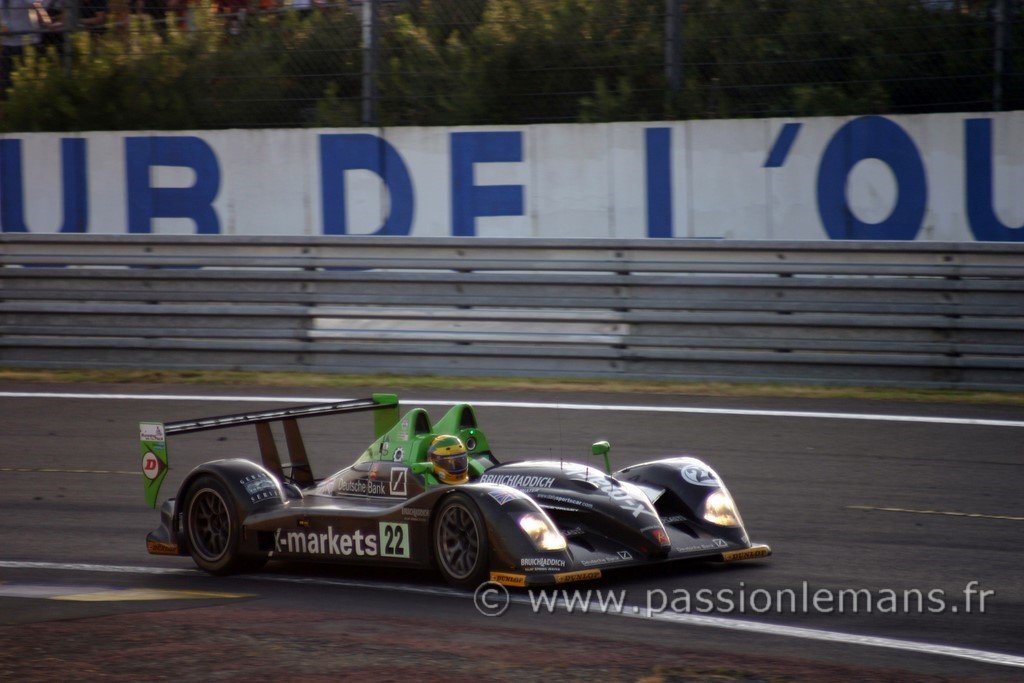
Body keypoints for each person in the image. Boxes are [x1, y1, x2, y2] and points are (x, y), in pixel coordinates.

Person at [1, 0, 47, 98]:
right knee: (6, 79)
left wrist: (47, 21)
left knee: (28, 76)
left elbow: (36, 5)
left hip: (27, 42)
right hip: (8, 43)